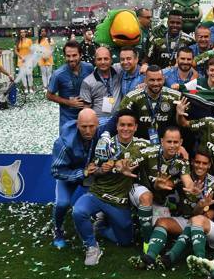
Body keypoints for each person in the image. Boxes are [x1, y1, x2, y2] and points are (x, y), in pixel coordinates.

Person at [71, 110, 149, 265]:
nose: (125, 128)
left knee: (126, 241)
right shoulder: (105, 144)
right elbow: (95, 170)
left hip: (119, 201)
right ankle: (92, 247)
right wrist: (102, 169)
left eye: (129, 125)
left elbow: (161, 154)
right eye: (122, 125)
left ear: (135, 127)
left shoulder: (144, 146)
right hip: (98, 194)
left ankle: (101, 227)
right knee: (78, 211)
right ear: (117, 126)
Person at [128, 126, 194, 245]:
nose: (172, 145)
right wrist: (123, 166)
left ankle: (138, 223)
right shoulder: (148, 152)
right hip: (140, 190)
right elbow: (126, 163)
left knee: (159, 225)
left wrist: (192, 188)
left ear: (181, 142)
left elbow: (187, 179)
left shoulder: (182, 161)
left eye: (176, 142)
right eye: (169, 142)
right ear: (162, 141)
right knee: (146, 197)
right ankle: (146, 243)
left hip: (159, 199)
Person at [50, 108, 101, 248]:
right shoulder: (63, 142)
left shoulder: (103, 133)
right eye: (84, 126)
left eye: (92, 126)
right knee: (62, 203)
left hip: (92, 175)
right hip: (69, 175)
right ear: (77, 124)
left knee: (104, 198)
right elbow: (56, 171)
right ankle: (58, 230)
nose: (88, 131)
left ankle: (101, 223)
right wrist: (82, 173)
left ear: (98, 123)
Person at [118, 65, 181, 144]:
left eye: (159, 80)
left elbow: (184, 124)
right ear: (145, 80)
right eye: (152, 80)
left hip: (167, 145)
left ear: (164, 79)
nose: (156, 83)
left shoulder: (175, 97)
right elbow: (117, 118)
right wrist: (106, 133)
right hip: (139, 145)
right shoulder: (132, 97)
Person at [47, 41, 94, 128]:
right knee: (68, 141)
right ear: (65, 56)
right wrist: (69, 102)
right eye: (68, 56)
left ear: (80, 55)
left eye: (74, 55)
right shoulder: (58, 74)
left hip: (87, 117)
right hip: (68, 119)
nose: (71, 59)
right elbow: (49, 95)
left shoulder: (89, 68)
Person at [80, 47, 123, 123]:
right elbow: (86, 108)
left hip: (118, 119)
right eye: (99, 59)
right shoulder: (87, 82)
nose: (103, 62)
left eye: (106, 59)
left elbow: (133, 66)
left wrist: (145, 66)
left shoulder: (119, 70)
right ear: (95, 61)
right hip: (99, 121)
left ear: (111, 60)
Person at [15, 28, 34, 93]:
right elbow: (16, 51)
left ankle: (31, 87)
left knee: (29, 73)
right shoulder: (18, 41)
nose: (22, 33)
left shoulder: (29, 40)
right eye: (21, 32)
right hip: (21, 59)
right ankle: (25, 87)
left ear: (26, 33)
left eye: (24, 32)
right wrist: (21, 57)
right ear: (19, 34)